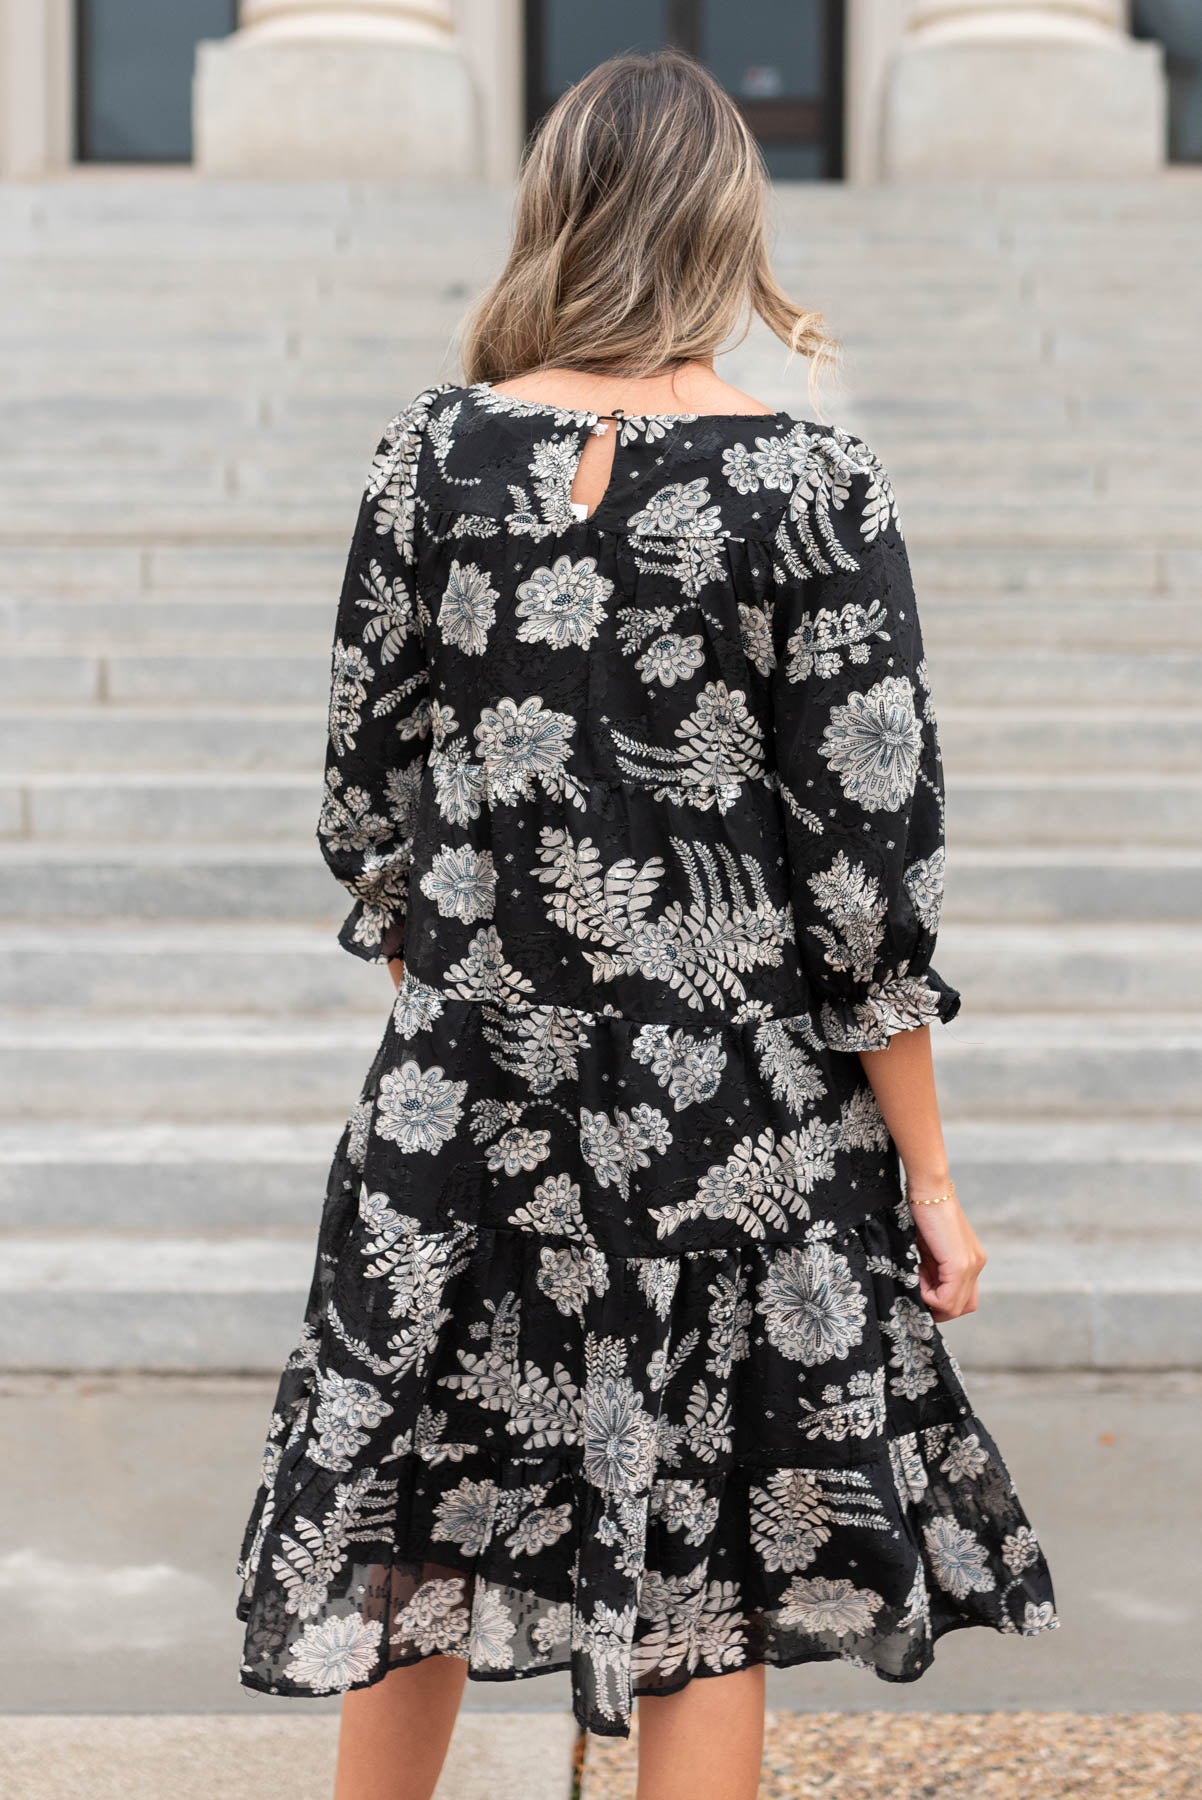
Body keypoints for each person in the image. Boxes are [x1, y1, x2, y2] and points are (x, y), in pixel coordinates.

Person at [234, 49, 1057, 1800]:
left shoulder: (426, 462)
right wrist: (924, 1173)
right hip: (728, 1134)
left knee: (414, 1548)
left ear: (558, 208)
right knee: (714, 1578)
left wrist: (482, 994)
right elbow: (865, 880)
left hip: (459, 1119)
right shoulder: (811, 485)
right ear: (721, 226)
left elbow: (364, 810)